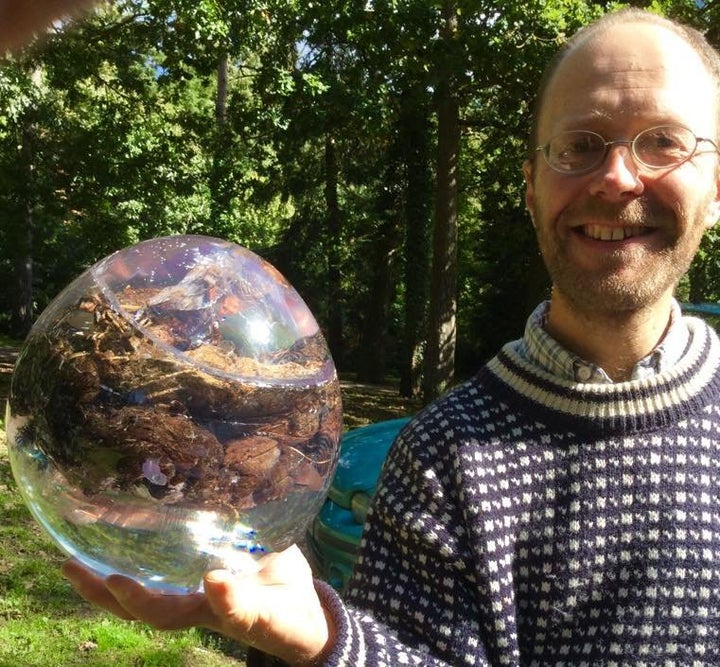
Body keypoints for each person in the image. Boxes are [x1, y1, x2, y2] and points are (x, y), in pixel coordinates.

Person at [61, 7, 720, 665]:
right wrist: (325, 641)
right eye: (579, 145)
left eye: (664, 140)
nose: (617, 176)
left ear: (716, 187)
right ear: (532, 184)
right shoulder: (439, 459)